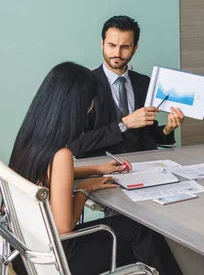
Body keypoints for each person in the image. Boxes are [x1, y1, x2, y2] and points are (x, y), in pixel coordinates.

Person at [9, 62, 182, 274]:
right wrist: (85, 189)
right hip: (62, 258)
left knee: (133, 229)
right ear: (78, 105)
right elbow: (65, 227)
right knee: (144, 233)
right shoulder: (61, 155)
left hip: (25, 252)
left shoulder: (28, 138)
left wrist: (97, 168)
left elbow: (47, 174)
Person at [68, 15, 185, 158]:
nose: (117, 53)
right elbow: (76, 145)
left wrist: (167, 129)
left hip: (145, 165)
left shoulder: (144, 82)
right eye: (111, 45)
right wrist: (124, 124)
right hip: (101, 169)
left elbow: (147, 136)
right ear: (102, 43)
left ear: (134, 48)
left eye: (125, 47)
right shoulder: (83, 85)